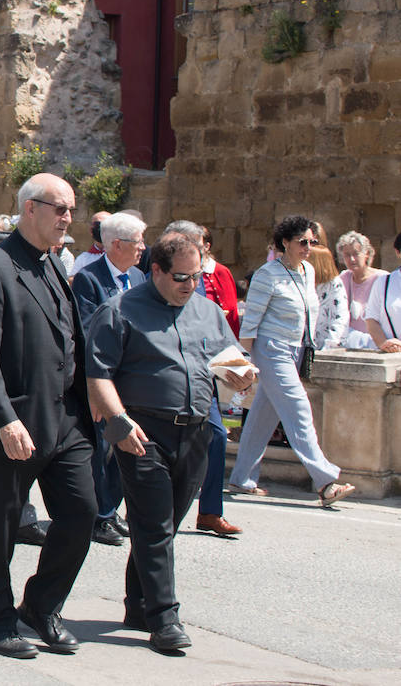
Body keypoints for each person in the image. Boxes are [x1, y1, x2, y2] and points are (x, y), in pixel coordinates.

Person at [85, 233, 256, 653]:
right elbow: (98, 373)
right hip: (142, 432)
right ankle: (165, 618)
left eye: (197, 276)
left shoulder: (207, 312)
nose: (190, 285)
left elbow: (228, 361)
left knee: (164, 525)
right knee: (155, 523)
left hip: (195, 432)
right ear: (156, 270)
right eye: (181, 276)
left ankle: (138, 602)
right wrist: (118, 421)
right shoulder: (120, 310)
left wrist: (243, 375)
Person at [0, 174, 96, 659]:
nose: (67, 219)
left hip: (66, 420)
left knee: (83, 512)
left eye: (71, 210)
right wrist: (4, 419)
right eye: (60, 209)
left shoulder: (55, 263)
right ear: (29, 209)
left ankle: (41, 605)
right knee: (2, 525)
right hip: (16, 422)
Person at [228, 216, 355, 507]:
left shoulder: (308, 271)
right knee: (298, 409)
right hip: (271, 350)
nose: (308, 247)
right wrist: (245, 360)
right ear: (285, 243)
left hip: (296, 350)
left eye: (312, 241)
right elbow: (251, 324)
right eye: (302, 242)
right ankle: (325, 482)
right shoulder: (266, 274)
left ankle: (242, 478)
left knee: (264, 414)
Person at [70, 211, 146, 548]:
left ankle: (111, 508)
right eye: (137, 242)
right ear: (117, 244)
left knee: (125, 446)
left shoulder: (140, 279)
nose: (143, 248)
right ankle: (98, 516)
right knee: (102, 448)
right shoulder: (89, 279)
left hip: (132, 378)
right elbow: (88, 329)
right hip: (104, 377)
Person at [186, 225, 242, 538]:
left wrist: (238, 362)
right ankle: (106, 510)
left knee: (219, 436)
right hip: (168, 374)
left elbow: (223, 324)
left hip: (205, 372)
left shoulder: (213, 276)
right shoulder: (166, 277)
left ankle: (210, 511)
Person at [338, 231, 386, 349]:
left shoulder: (383, 279)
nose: (352, 259)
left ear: (367, 254)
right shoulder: (343, 278)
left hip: (377, 343)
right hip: (350, 344)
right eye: (347, 255)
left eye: (356, 253)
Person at [365, 232, 401, 353]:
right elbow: (371, 319)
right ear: (398, 252)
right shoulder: (384, 282)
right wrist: (384, 343)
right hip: (392, 357)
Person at [308, 244, 348, 350]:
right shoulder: (306, 282)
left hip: (326, 347)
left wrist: (330, 345)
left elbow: (340, 317)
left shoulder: (334, 284)